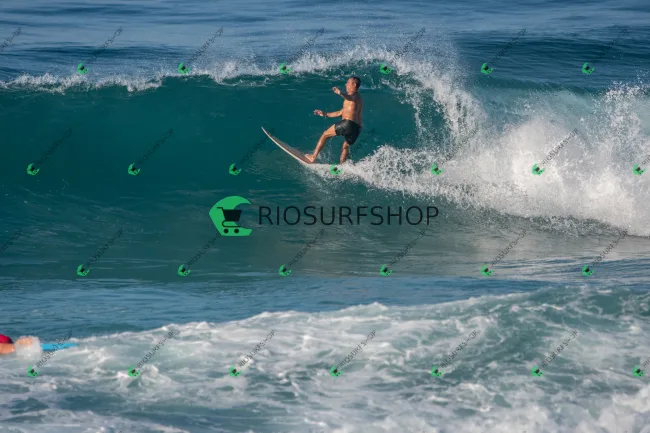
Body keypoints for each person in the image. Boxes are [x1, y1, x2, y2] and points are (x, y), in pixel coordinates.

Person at [306, 76, 363, 164]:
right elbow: (340, 112)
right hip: (357, 128)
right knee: (345, 146)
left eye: (348, 83)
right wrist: (325, 114)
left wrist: (340, 93)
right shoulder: (358, 100)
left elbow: (350, 97)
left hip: (348, 123)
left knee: (325, 134)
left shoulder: (353, 95)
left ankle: (313, 157)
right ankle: (343, 165)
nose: (346, 84)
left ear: (354, 85)